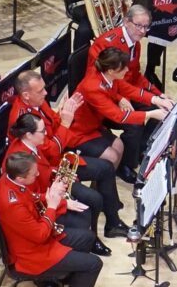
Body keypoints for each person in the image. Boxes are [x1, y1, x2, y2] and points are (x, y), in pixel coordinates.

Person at [9, 70, 128, 239]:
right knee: (93, 197)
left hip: (61, 155)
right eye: (40, 90)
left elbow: (54, 122)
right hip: (49, 170)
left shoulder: (39, 102)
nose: (45, 93)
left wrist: (64, 115)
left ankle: (113, 222)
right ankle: (92, 237)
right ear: (26, 95)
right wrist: (66, 122)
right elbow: (52, 151)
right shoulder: (25, 121)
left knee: (107, 168)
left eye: (44, 88)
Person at [0, 151, 103, 287]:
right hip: (31, 255)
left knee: (87, 238)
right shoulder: (12, 205)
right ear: (21, 178)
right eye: (33, 173)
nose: (38, 174)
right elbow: (40, 235)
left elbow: (32, 198)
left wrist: (58, 199)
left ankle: (66, 283)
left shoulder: (9, 180)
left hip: (34, 240)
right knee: (93, 264)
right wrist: (53, 206)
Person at [4, 112, 109, 254]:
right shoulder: (22, 159)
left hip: (52, 186)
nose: (46, 133)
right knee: (88, 207)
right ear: (29, 134)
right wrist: (59, 200)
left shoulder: (33, 144)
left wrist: (59, 173)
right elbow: (31, 194)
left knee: (95, 199)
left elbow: (45, 167)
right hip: (45, 198)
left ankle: (92, 237)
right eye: (42, 131)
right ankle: (85, 242)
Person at [72, 47, 173, 183]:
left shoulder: (107, 75)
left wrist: (157, 99)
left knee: (119, 146)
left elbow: (130, 90)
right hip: (79, 131)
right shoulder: (92, 87)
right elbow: (119, 116)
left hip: (94, 124)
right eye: (123, 68)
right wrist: (151, 114)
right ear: (111, 70)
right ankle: (103, 186)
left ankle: (105, 184)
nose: (127, 70)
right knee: (112, 157)